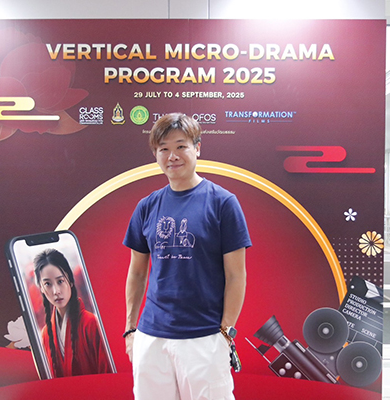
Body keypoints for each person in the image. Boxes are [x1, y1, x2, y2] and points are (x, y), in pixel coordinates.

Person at [123, 113, 251, 400]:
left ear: (197, 148)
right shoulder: (147, 206)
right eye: (164, 149)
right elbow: (137, 273)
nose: (173, 156)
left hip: (204, 336)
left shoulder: (223, 203)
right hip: (151, 337)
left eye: (181, 146)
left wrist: (225, 332)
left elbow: (236, 275)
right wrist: (131, 330)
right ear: (156, 155)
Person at [34, 248, 111, 378]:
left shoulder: (91, 323)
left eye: (60, 281)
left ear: (70, 281)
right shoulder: (46, 334)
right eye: (47, 284)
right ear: (41, 288)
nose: (56, 291)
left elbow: (107, 375)